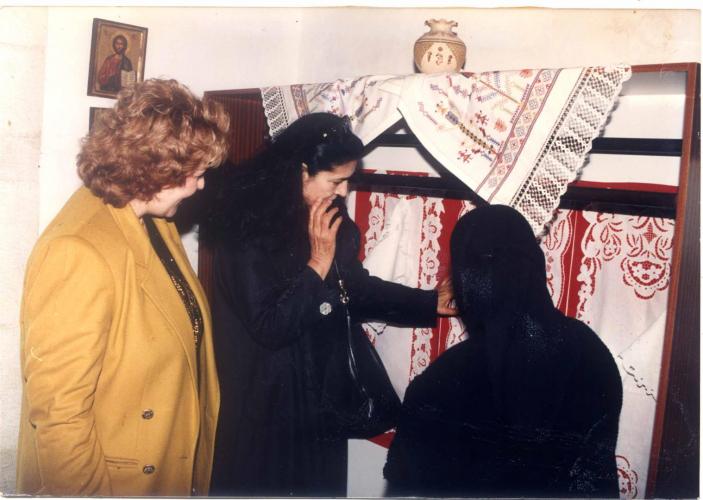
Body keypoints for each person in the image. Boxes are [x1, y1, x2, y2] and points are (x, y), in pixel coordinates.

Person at [203, 112, 456, 497]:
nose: (343, 192)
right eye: (335, 181)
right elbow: (272, 326)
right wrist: (318, 262)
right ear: (301, 171)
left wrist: (428, 302)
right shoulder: (244, 231)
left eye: (348, 181)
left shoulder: (323, 215)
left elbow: (353, 289)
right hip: (265, 410)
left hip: (319, 403)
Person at [16, 78, 230, 496]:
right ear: (159, 169)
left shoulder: (154, 221)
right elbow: (60, 416)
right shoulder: (77, 252)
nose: (201, 185)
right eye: (197, 174)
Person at [384, 204, 623, 498]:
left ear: (466, 280)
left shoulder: (441, 382)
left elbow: (404, 485)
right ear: (534, 263)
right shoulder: (592, 354)